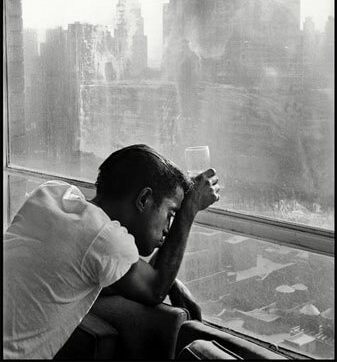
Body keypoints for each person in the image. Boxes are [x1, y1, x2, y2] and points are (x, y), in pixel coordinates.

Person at [4, 144, 220, 359]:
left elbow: (106, 274)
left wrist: (171, 280)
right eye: (171, 213)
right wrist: (189, 209)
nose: (168, 229)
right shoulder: (103, 237)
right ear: (144, 199)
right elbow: (155, 289)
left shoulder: (51, 194)